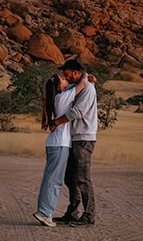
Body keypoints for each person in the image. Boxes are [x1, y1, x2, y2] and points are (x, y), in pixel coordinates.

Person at [33, 71, 88, 227]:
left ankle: (44, 211)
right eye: (63, 79)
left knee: (50, 179)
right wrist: (85, 74)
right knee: (54, 180)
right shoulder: (63, 97)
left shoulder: (57, 97)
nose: (67, 79)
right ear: (59, 86)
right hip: (59, 144)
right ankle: (44, 213)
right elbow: (82, 83)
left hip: (55, 143)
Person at [52, 58, 98, 226]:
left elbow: (77, 112)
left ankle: (89, 215)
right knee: (70, 176)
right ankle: (72, 212)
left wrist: (56, 122)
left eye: (67, 73)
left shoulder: (88, 89)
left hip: (84, 138)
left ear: (75, 72)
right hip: (74, 138)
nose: (66, 76)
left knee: (83, 178)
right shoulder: (79, 85)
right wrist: (87, 77)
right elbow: (66, 90)